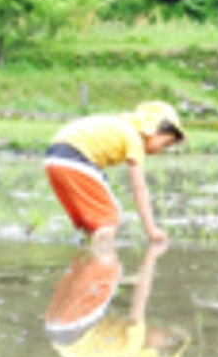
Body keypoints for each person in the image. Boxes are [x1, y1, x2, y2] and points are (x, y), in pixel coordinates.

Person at [44, 101, 185, 248]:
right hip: (75, 157)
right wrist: (152, 231)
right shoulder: (134, 138)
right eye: (163, 144)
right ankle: (103, 265)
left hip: (53, 159)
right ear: (154, 130)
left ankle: (86, 263)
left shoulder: (120, 125)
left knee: (91, 224)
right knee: (109, 220)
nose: (158, 152)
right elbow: (139, 189)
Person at [44, 241, 190, 357]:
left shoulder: (134, 345)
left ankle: (96, 240)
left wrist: (151, 255)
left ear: (152, 352)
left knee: (111, 268)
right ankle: (85, 244)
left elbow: (140, 297)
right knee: (87, 278)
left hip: (75, 328)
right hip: (56, 332)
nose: (164, 329)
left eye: (166, 338)